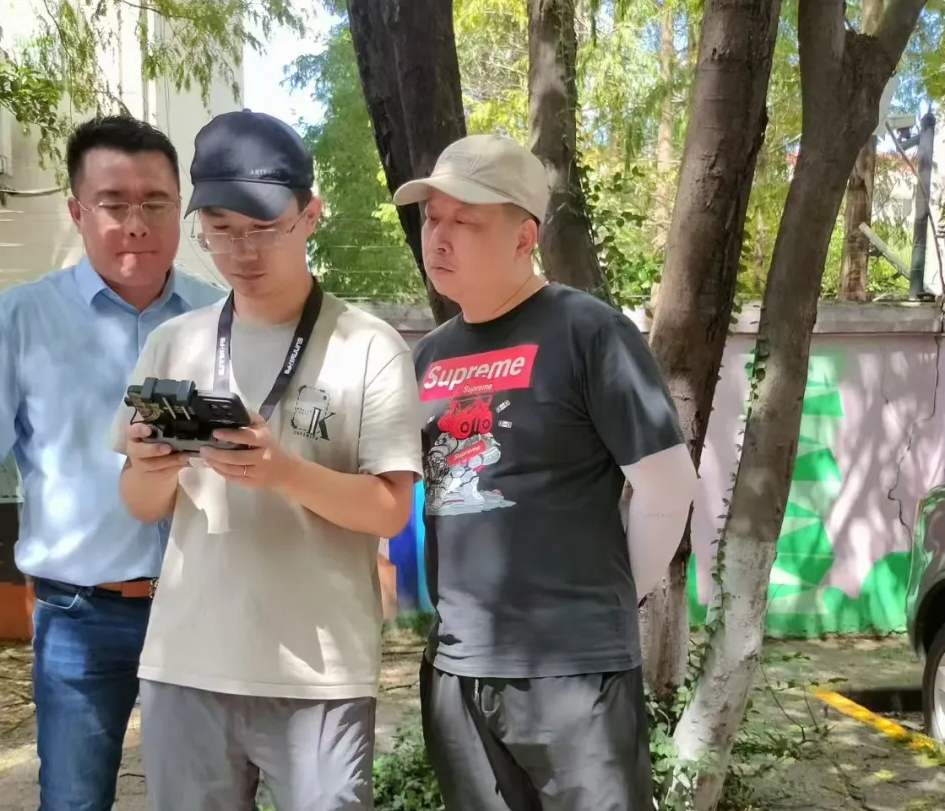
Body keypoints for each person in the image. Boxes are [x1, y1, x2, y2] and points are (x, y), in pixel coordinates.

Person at [0, 115, 225, 811]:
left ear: (180, 209)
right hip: (80, 617)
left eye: (155, 202)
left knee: (209, 800)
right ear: (77, 212)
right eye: (113, 203)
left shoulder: (222, 319)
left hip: (206, 607)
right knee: (73, 802)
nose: (136, 223)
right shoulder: (22, 321)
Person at [110, 109, 423, 811]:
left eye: (263, 229)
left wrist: (283, 472)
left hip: (320, 675)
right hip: (187, 661)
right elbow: (137, 501)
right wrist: (153, 466)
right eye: (219, 229)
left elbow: (390, 508)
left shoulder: (369, 346)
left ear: (310, 215)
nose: (241, 252)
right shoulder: (173, 342)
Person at [394, 134, 698, 811]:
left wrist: (607, 600)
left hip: (575, 673)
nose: (439, 236)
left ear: (524, 236)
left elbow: (669, 485)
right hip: (459, 671)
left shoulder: (589, 332)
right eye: (432, 218)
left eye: (465, 220)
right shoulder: (429, 358)